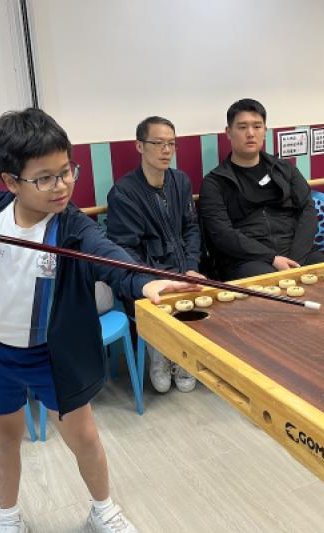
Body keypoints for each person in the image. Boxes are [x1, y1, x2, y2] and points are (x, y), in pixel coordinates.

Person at [0, 108, 198, 533]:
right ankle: (9, 518)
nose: (62, 185)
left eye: (67, 171)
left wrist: (145, 282)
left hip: (50, 354)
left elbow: (110, 257)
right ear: (11, 181)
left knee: (83, 437)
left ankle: (103, 509)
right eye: (45, 178)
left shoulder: (73, 226)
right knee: (4, 436)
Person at [106, 116, 201, 394]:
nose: (166, 150)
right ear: (139, 146)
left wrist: (192, 265)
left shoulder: (180, 181)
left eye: (171, 143)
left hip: (182, 268)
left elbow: (191, 228)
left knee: (198, 291)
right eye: (158, 143)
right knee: (159, 299)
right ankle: (159, 353)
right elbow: (125, 249)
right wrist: (153, 278)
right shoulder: (124, 192)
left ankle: (184, 357)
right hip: (146, 275)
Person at [198, 98, 324, 280]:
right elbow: (223, 234)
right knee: (272, 285)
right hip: (247, 260)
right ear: (228, 132)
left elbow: (308, 209)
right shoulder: (215, 182)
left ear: (265, 131)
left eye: (257, 126)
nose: (250, 133)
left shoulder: (284, 169)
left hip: (295, 252)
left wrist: (296, 258)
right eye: (242, 127)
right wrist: (272, 258)